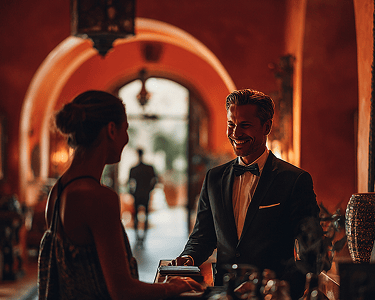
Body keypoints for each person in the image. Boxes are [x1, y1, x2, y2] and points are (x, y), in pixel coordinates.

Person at [38, 90, 203, 300]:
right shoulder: (97, 198)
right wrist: (175, 287)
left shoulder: (58, 190)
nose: (126, 138)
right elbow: (124, 291)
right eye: (126, 129)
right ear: (111, 130)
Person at [171, 89, 320, 299]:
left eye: (245, 125)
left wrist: (276, 288)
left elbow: (311, 250)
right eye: (231, 124)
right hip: (224, 292)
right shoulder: (214, 178)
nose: (235, 133)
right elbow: (203, 235)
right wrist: (188, 257)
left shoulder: (295, 180)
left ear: (266, 126)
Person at [129, 148, 157, 244]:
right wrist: (149, 189)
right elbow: (155, 180)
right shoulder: (148, 168)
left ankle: (138, 236)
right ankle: (143, 236)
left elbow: (130, 183)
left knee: (137, 215)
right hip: (145, 193)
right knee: (145, 215)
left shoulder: (134, 169)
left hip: (138, 193)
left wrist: (132, 192)